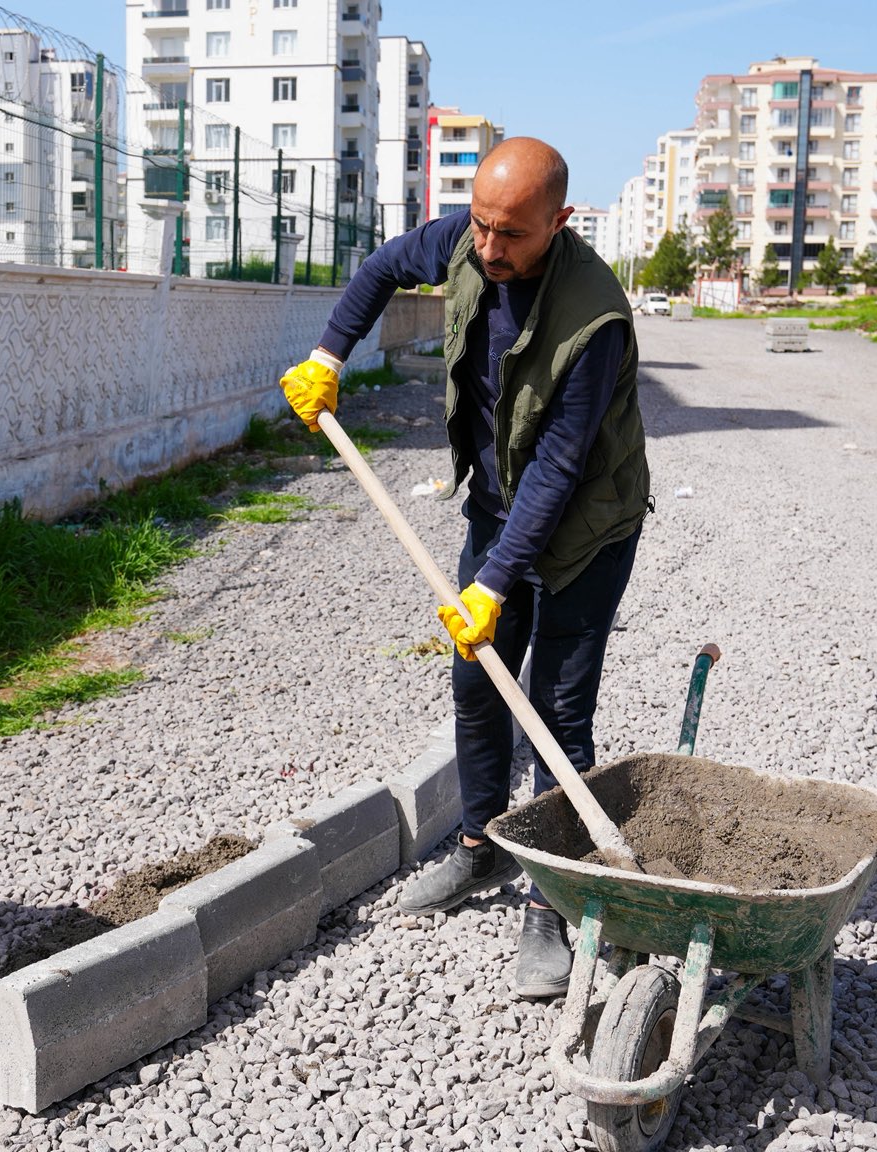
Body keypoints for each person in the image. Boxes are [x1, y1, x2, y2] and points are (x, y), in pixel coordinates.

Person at [279, 138, 647, 1000]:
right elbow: (377, 270)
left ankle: (552, 901)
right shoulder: (466, 240)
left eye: (511, 235)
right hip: (497, 504)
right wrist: (330, 355)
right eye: (480, 226)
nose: (488, 249)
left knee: (556, 713)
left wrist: (492, 584)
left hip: (586, 529)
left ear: (559, 222)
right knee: (477, 686)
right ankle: (481, 849)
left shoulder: (594, 319)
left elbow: (558, 471)